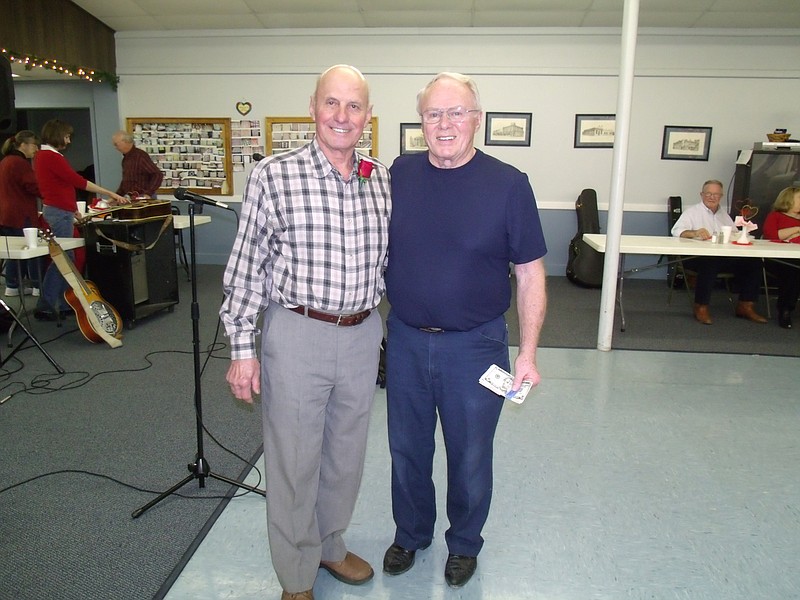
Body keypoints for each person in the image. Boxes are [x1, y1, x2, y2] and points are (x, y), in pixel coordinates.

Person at [219, 65, 390, 600]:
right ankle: (296, 572)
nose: (343, 116)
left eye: (354, 106)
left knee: (346, 454)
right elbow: (246, 270)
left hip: (363, 334)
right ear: (313, 107)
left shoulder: (380, 178)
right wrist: (242, 351)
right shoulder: (274, 175)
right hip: (296, 333)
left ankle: (330, 545)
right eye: (332, 103)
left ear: (367, 115)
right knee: (294, 458)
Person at [382, 72, 547, 588]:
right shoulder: (399, 174)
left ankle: (465, 543)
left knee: (471, 452)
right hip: (406, 339)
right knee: (406, 448)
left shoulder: (509, 185)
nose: (445, 123)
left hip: (477, 347)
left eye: (457, 112)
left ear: (477, 119)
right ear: (421, 123)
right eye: (434, 114)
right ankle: (410, 533)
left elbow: (530, 274)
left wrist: (528, 353)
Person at [33, 119, 126, 321]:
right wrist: (108, 191)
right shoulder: (50, 157)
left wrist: (73, 209)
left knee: (66, 259)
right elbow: (78, 182)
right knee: (64, 260)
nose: (68, 140)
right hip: (58, 214)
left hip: (60, 211)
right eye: (66, 136)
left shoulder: (45, 156)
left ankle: (65, 302)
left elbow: (59, 186)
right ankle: (47, 304)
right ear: (58, 135)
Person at [671, 179, 767, 325]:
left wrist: (743, 234)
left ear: (721, 196)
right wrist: (695, 232)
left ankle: (745, 305)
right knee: (710, 262)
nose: (712, 197)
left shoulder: (724, 215)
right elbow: (676, 231)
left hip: (722, 256)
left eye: (716, 194)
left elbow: (734, 233)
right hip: (696, 257)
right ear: (701, 194)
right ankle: (701, 306)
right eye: (708, 193)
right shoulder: (692, 212)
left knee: (753, 262)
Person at [0, 130, 42, 297]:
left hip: (6, 213)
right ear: (23, 145)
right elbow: (32, 186)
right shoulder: (19, 163)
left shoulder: (5, 161)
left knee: (16, 251)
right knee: (32, 249)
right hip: (20, 213)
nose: (36, 149)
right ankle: (38, 285)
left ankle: (13, 284)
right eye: (34, 145)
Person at [762, 186, 800, 329]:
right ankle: (785, 310)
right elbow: (771, 236)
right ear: (788, 200)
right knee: (793, 271)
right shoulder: (775, 216)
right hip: (777, 259)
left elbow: (784, 237)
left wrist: (787, 236)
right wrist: (796, 230)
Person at [111, 130, 163, 198]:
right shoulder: (125, 159)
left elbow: (157, 174)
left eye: (116, 144)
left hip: (142, 197)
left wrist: (148, 193)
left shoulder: (140, 156)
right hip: (130, 197)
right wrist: (116, 197)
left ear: (125, 142)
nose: (115, 148)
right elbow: (126, 182)